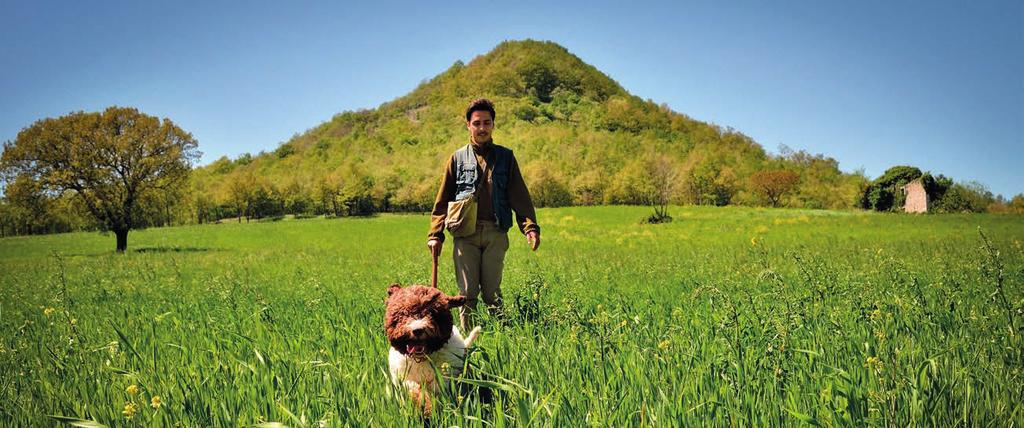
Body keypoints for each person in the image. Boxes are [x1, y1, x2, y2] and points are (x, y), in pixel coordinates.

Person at [427, 98, 540, 330]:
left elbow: (519, 195)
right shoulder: (457, 158)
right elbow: (443, 199)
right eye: (476, 123)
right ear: (468, 125)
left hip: (495, 232)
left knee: (491, 293)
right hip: (465, 235)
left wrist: (529, 227)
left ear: (493, 125)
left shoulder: (506, 157)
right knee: (467, 294)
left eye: (486, 123)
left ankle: (504, 337)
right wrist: (435, 234)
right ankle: (466, 346)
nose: (482, 128)